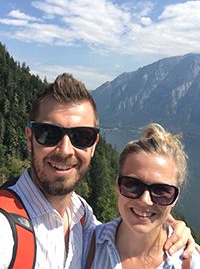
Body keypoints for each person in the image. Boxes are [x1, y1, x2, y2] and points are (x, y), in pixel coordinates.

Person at [0, 74, 198, 269]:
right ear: (29, 138)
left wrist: (170, 227)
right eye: (49, 134)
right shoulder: (5, 229)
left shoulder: (82, 216)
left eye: (81, 136)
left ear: (93, 145)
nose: (65, 150)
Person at [83, 123, 200, 268]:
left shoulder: (189, 263)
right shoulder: (84, 246)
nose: (145, 200)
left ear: (174, 198)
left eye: (161, 191)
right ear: (117, 186)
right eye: (132, 184)